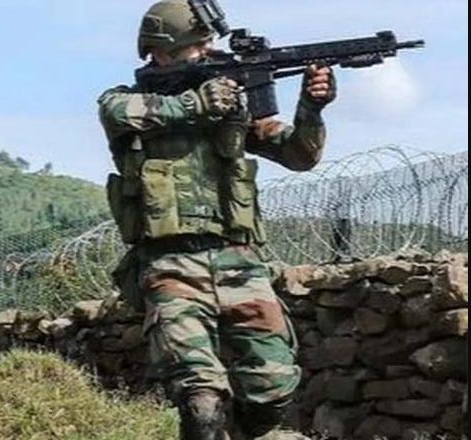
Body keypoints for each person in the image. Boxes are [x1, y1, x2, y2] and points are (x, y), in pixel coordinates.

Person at [97, 1, 336, 439]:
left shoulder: (232, 107)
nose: (209, 50)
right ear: (162, 51)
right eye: (199, 44)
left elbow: (300, 155)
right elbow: (119, 113)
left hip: (240, 261)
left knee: (273, 389)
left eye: (210, 43)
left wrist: (312, 108)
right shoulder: (123, 102)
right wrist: (197, 103)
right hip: (170, 267)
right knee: (201, 401)